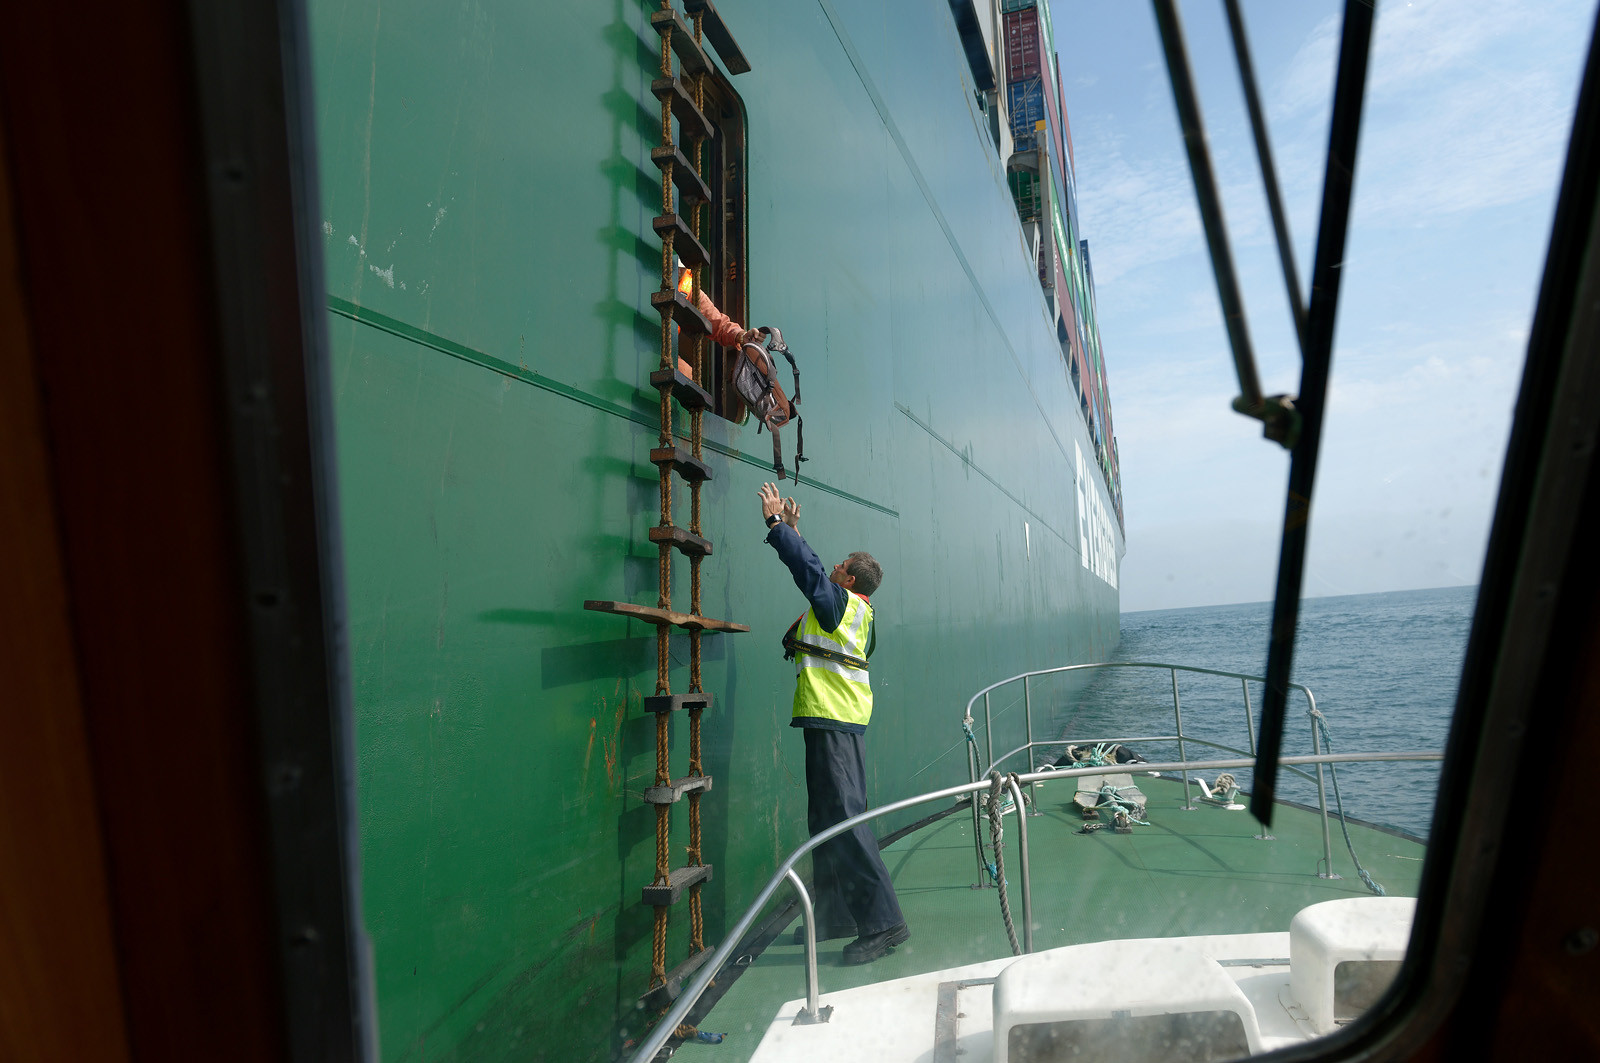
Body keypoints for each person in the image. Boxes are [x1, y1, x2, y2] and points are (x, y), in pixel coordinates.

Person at [757, 482, 909, 965]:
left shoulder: (839, 605)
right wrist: (798, 531)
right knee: (826, 821)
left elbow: (808, 572)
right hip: (836, 724)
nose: (833, 569)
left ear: (847, 580)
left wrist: (779, 526)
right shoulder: (858, 614)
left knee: (845, 821)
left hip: (834, 724)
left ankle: (885, 923)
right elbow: (819, 573)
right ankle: (836, 916)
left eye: (839, 567)